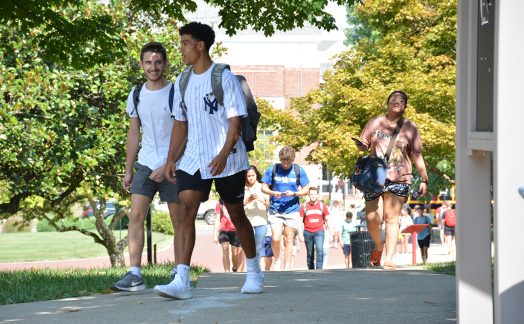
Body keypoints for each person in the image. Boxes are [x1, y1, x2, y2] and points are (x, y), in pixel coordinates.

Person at [154, 22, 263, 299]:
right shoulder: (182, 81)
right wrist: (170, 159)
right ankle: (182, 280)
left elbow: (235, 121)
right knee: (185, 210)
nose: (181, 50)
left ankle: (253, 272)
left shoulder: (223, 77)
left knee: (236, 214)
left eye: (185, 44)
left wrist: (224, 153)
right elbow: (180, 123)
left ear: (200, 45)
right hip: (194, 157)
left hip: (228, 157)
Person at [111, 42, 179, 292]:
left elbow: (184, 132)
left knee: (178, 219)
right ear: (141, 64)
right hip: (146, 164)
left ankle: (178, 271)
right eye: (148, 62)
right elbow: (133, 133)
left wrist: (168, 163)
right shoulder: (136, 94)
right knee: (136, 216)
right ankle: (135, 274)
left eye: (158, 62)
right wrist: (129, 169)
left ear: (165, 63)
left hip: (173, 165)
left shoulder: (175, 92)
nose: (153, 67)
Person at [354, 90, 429, 270]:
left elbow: (417, 155)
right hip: (375, 177)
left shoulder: (410, 127)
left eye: (401, 100)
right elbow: (364, 146)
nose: (397, 101)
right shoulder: (375, 122)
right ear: (387, 103)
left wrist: (424, 179)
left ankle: (389, 258)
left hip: (400, 177)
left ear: (405, 106)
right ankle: (379, 246)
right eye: (393, 99)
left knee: (391, 217)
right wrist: (361, 146)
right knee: (373, 217)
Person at [261, 146, 311, 270]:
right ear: (280, 159)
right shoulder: (273, 169)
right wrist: (273, 193)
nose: (285, 164)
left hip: (292, 209)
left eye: (288, 161)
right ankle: (277, 260)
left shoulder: (298, 170)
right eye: (283, 161)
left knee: (289, 238)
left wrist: (295, 193)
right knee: (276, 237)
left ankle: (287, 266)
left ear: (293, 160)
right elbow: (264, 187)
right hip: (275, 209)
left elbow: (306, 189)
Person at [243, 165, 270, 266]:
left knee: (258, 247)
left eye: (252, 175)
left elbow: (268, 204)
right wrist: (247, 200)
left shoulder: (263, 186)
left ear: (256, 175)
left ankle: (256, 268)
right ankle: (250, 268)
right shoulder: (242, 188)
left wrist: (261, 200)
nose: (250, 178)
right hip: (247, 222)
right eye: (248, 175)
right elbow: (238, 205)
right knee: (248, 248)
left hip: (261, 222)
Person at [299, 187, 330, 270]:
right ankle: (311, 271)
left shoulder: (322, 206)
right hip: (307, 232)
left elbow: (328, 219)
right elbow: (299, 221)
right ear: (309, 195)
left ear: (317, 195)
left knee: (320, 250)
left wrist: (331, 232)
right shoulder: (304, 207)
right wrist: (299, 234)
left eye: (314, 194)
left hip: (319, 231)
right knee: (310, 253)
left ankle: (319, 270)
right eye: (311, 194)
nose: (313, 196)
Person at [213, 200, 244, 272]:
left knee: (235, 252)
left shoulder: (237, 201)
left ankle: (235, 267)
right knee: (225, 250)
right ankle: (227, 272)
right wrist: (215, 234)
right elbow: (217, 219)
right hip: (223, 230)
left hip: (236, 230)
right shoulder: (220, 203)